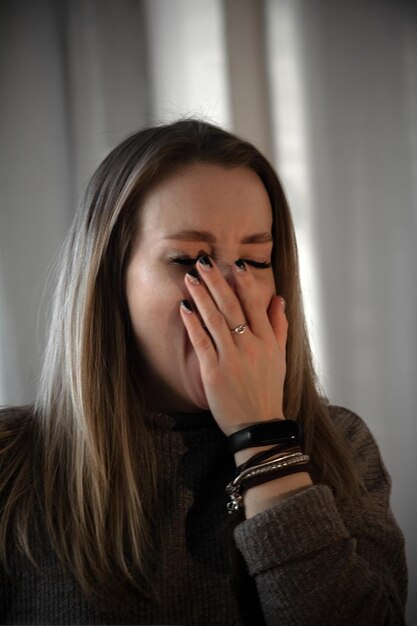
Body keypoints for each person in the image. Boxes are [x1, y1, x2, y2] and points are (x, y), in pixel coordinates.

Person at [0, 119, 407, 625]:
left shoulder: (339, 446)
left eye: (255, 261)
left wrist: (263, 439)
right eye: (191, 260)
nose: (230, 293)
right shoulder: (10, 465)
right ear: (109, 281)